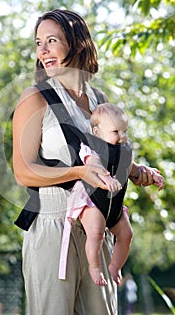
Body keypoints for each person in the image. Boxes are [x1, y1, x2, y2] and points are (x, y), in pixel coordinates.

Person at [12, 9, 163, 315]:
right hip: (53, 227)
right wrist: (81, 171)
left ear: (77, 43)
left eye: (52, 40)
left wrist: (136, 172)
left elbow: (112, 155)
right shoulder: (34, 97)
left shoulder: (99, 100)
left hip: (99, 228)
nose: (42, 50)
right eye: (39, 42)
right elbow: (22, 171)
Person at [59, 103, 164, 288]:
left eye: (125, 131)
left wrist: (149, 174)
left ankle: (115, 266)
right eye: (116, 131)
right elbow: (94, 165)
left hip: (114, 205)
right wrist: (107, 179)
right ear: (98, 132)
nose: (122, 136)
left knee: (126, 234)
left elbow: (132, 168)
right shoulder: (92, 147)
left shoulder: (124, 149)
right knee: (96, 232)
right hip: (92, 201)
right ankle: (95, 267)